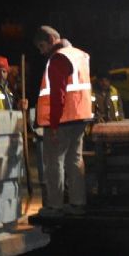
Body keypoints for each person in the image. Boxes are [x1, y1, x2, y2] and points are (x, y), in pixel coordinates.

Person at [33, 25, 92, 217]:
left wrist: (54, 124)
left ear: (51, 39)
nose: (42, 52)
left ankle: (54, 206)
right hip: (80, 117)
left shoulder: (58, 58)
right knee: (75, 160)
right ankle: (77, 204)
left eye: (42, 46)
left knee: (53, 162)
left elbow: (57, 95)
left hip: (63, 119)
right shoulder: (80, 54)